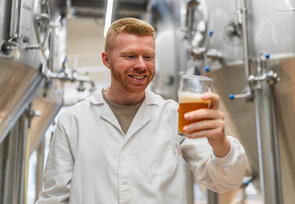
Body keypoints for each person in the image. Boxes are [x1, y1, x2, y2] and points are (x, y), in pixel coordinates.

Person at [37, 17, 247, 204]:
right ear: (106, 60)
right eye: (129, 56)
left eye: (148, 57)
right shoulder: (73, 121)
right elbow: (54, 197)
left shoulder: (173, 116)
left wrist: (221, 144)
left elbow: (224, 181)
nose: (141, 65)